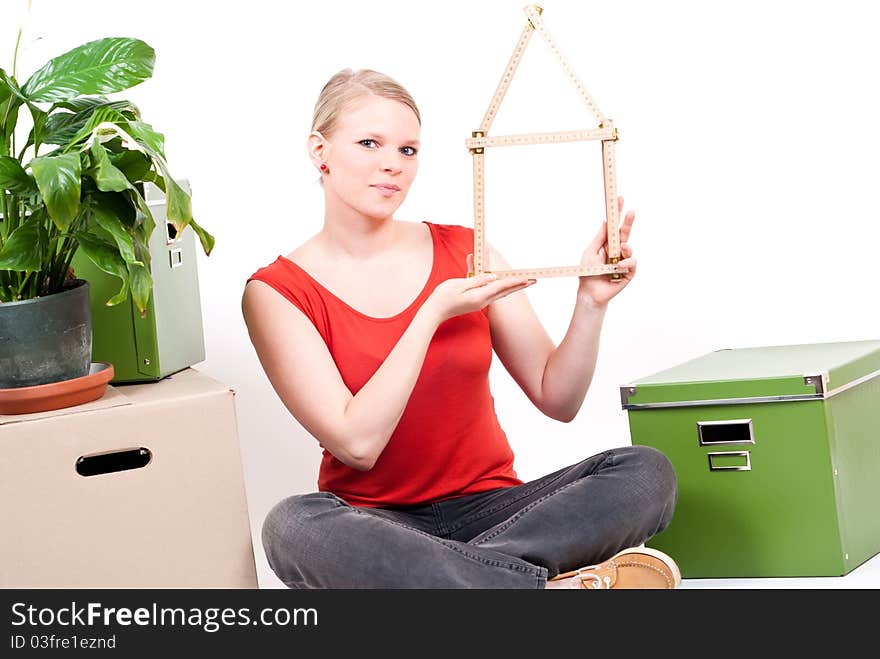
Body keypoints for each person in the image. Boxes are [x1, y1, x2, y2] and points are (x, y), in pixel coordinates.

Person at [242, 68, 679, 589]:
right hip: (379, 525)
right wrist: (431, 313)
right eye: (368, 143)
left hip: (501, 511)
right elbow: (358, 445)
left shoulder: (467, 250)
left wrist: (591, 303)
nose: (392, 165)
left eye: (408, 150)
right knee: (291, 527)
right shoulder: (275, 291)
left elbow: (557, 398)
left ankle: (464, 584)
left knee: (644, 472)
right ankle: (537, 586)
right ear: (320, 151)